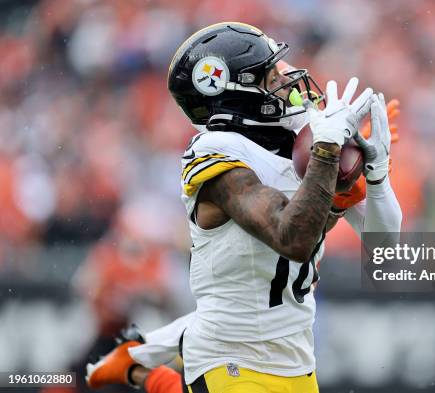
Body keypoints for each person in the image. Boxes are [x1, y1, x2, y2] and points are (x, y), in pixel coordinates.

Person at [88, 21, 402, 393]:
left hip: (296, 359)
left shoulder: (302, 140)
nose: (286, 83)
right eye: (270, 77)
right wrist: (327, 155)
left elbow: (384, 251)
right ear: (235, 94)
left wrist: (377, 177)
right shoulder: (216, 152)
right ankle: (145, 366)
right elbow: (293, 239)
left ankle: (140, 361)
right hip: (230, 356)